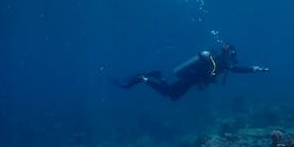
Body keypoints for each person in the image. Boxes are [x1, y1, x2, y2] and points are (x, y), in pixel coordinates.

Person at [114, 43, 269, 100]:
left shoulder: (218, 60)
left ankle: (158, 76)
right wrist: (254, 69)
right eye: (233, 54)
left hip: (191, 79)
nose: (234, 57)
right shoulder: (221, 62)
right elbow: (236, 69)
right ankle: (144, 79)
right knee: (172, 95)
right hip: (190, 79)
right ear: (229, 54)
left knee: (172, 94)